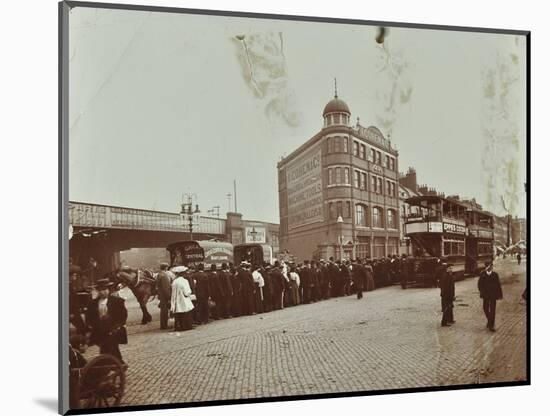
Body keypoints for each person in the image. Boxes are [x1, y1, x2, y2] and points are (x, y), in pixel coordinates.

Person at [85, 278, 128, 363]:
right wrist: (91, 326)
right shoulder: (93, 303)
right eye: (101, 290)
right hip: (99, 330)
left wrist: (118, 326)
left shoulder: (117, 301)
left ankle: (114, 363)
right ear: (98, 291)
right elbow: (89, 317)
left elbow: (123, 315)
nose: (103, 292)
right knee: (106, 347)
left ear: (108, 290)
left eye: (105, 289)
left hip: (113, 329)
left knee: (110, 345)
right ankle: (117, 364)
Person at [478, 262, 503, 331]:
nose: (491, 268)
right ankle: (489, 320)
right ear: (486, 267)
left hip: (493, 295)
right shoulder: (482, 274)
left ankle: (491, 325)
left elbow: (498, 285)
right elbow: (479, 284)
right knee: (485, 308)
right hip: (485, 295)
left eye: (491, 266)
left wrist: (499, 295)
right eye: (489, 266)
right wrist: (482, 291)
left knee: (492, 309)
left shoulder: (495, 275)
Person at [156, 262, 172, 330]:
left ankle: (163, 325)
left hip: (161, 295)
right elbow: (166, 288)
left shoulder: (159, 274)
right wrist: (169, 297)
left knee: (163, 311)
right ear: (166, 268)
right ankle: (164, 325)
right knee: (164, 311)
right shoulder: (164, 276)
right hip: (165, 296)